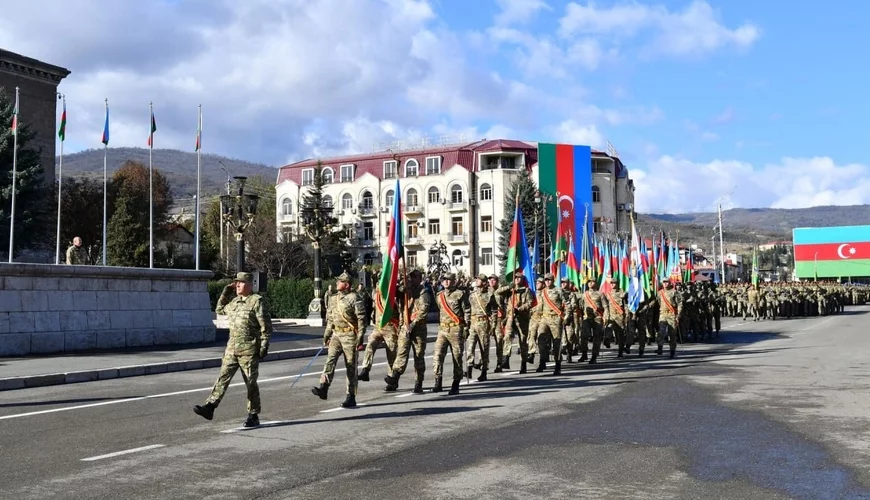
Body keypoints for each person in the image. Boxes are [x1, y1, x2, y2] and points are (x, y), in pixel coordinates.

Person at [194, 272, 272, 427]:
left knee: (250, 383)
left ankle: (253, 414)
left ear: (249, 285)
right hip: (232, 348)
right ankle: (210, 407)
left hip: (249, 350)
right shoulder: (234, 302)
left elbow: (266, 327)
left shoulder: (256, 302)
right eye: (236, 283)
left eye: (241, 283)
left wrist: (263, 347)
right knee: (223, 378)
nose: (237, 285)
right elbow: (219, 309)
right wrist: (226, 291)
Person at [312, 272, 366, 408]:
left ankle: (351, 396)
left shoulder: (355, 298)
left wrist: (360, 337)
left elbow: (361, 319)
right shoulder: (333, 298)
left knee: (350, 366)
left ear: (346, 284)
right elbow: (330, 319)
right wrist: (327, 334)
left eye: (340, 281)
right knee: (330, 360)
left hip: (349, 335)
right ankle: (324, 386)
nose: (337, 283)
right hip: (336, 334)